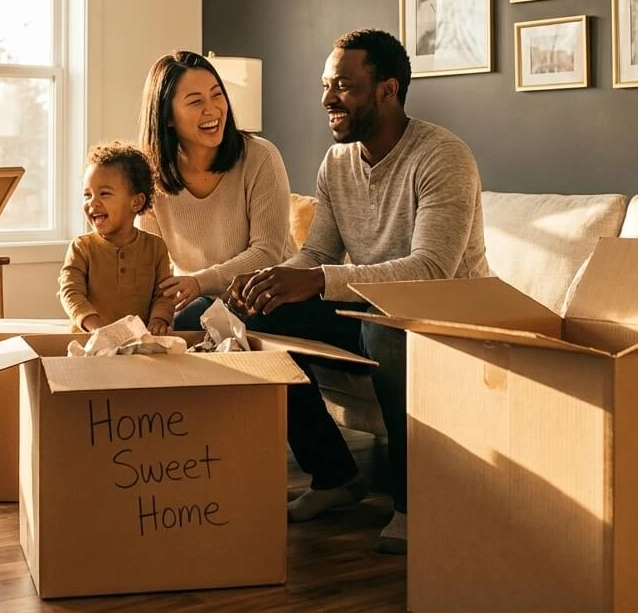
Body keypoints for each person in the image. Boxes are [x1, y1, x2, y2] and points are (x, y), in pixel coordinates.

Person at [227, 28, 490, 555]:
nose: (327, 98)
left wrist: (318, 280)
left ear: (388, 90)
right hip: (368, 311)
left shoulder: (442, 156)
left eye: (344, 86)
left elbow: (433, 269)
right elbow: (319, 254)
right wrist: (276, 279)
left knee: (387, 333)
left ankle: (419, 503)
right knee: (258, 316)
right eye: (327, 85)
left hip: (446, 319)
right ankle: (335, 476)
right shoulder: (337, 162)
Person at [137, 51, 293, 331]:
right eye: (196, 101)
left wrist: (198, 283)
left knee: (188, 321)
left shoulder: (261, 157)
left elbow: (267, 253)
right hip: (199, 301)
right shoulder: (152, 177)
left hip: (267, 300)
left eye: (217, 95)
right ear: (167, 117)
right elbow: (149, 264)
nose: (212, 110)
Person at [59, 141, 174, 335]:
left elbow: (164, 295)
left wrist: (158, 320)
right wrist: (98, 327)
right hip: (91, 343)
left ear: (136, 202)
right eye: (87, 195)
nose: (92, 202)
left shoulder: (155, 247)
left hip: (140, 342)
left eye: (104, 194)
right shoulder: (81, 247)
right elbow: (71, 292)